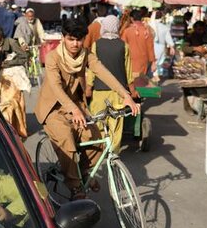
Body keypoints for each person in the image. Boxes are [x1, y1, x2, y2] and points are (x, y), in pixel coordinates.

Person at [35, 19, 139, 199]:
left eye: (79, 39)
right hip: (53, 108)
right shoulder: (53, 57)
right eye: (71, 39)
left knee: (98, 140)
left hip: (76, 105)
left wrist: (126, 95)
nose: (75, 44)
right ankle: (74, 186)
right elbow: (56, 87)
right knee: (66, 138)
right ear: (63, 38)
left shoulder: (86, 55)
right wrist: (73, 110)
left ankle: (82, 172)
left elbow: (103, 72)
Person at [87, 16, 135, 154]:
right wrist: (131, 91)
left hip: (99, 91)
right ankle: (113, 153)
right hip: (118, 93)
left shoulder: (97, 44)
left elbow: (92, 68)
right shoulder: (123, 45)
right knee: (116, 124)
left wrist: (89, 87)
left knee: (99, 121)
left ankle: (99, 150)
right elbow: (128, 71)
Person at [0, 25, 29, 138]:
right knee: (0, 102)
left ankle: (18, 128)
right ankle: (5, 128)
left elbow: (24, 57)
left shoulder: (11, 42)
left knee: (13, 102)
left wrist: (9, 63)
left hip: (12, 78)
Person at [120, 8, 156, 79]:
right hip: (144, 62)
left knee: (132, 83)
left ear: (132, 18)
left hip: (130, 62)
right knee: (141, 82)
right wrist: (153, 63)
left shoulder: (127, 31)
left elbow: (122, 47)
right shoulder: (147, 31)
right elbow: (150, 48)